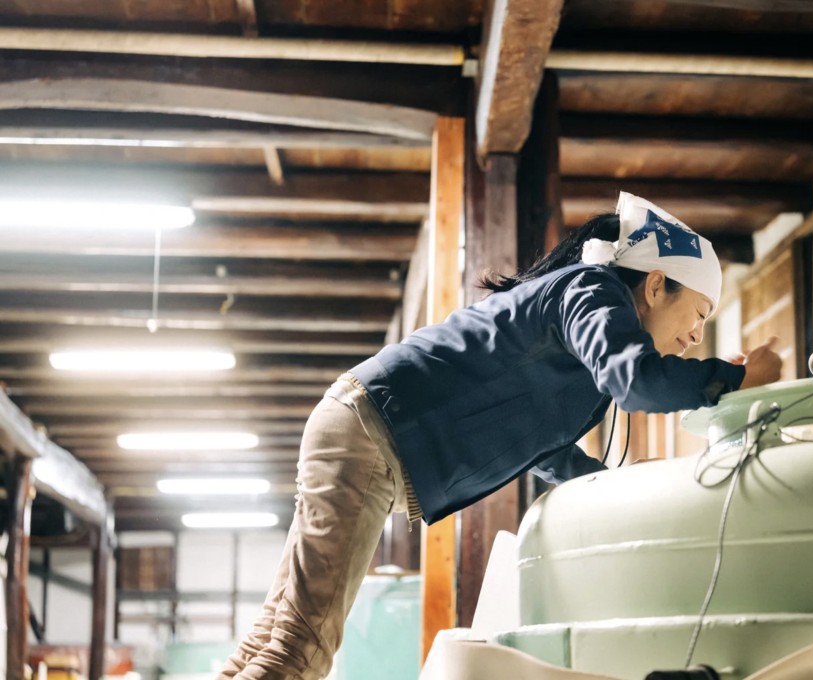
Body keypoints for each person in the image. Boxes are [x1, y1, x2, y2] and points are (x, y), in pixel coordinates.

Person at [219, 192, 782, 680]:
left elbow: (547, 450)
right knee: (300, 649)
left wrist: (615, 489)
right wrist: (736, 378)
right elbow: (639, 383)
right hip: (372, 431)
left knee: (274, 637)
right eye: (700, 314)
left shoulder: (588, 332)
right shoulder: (591, 289)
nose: (695, 337)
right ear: (657, 285)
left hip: (359, 425)